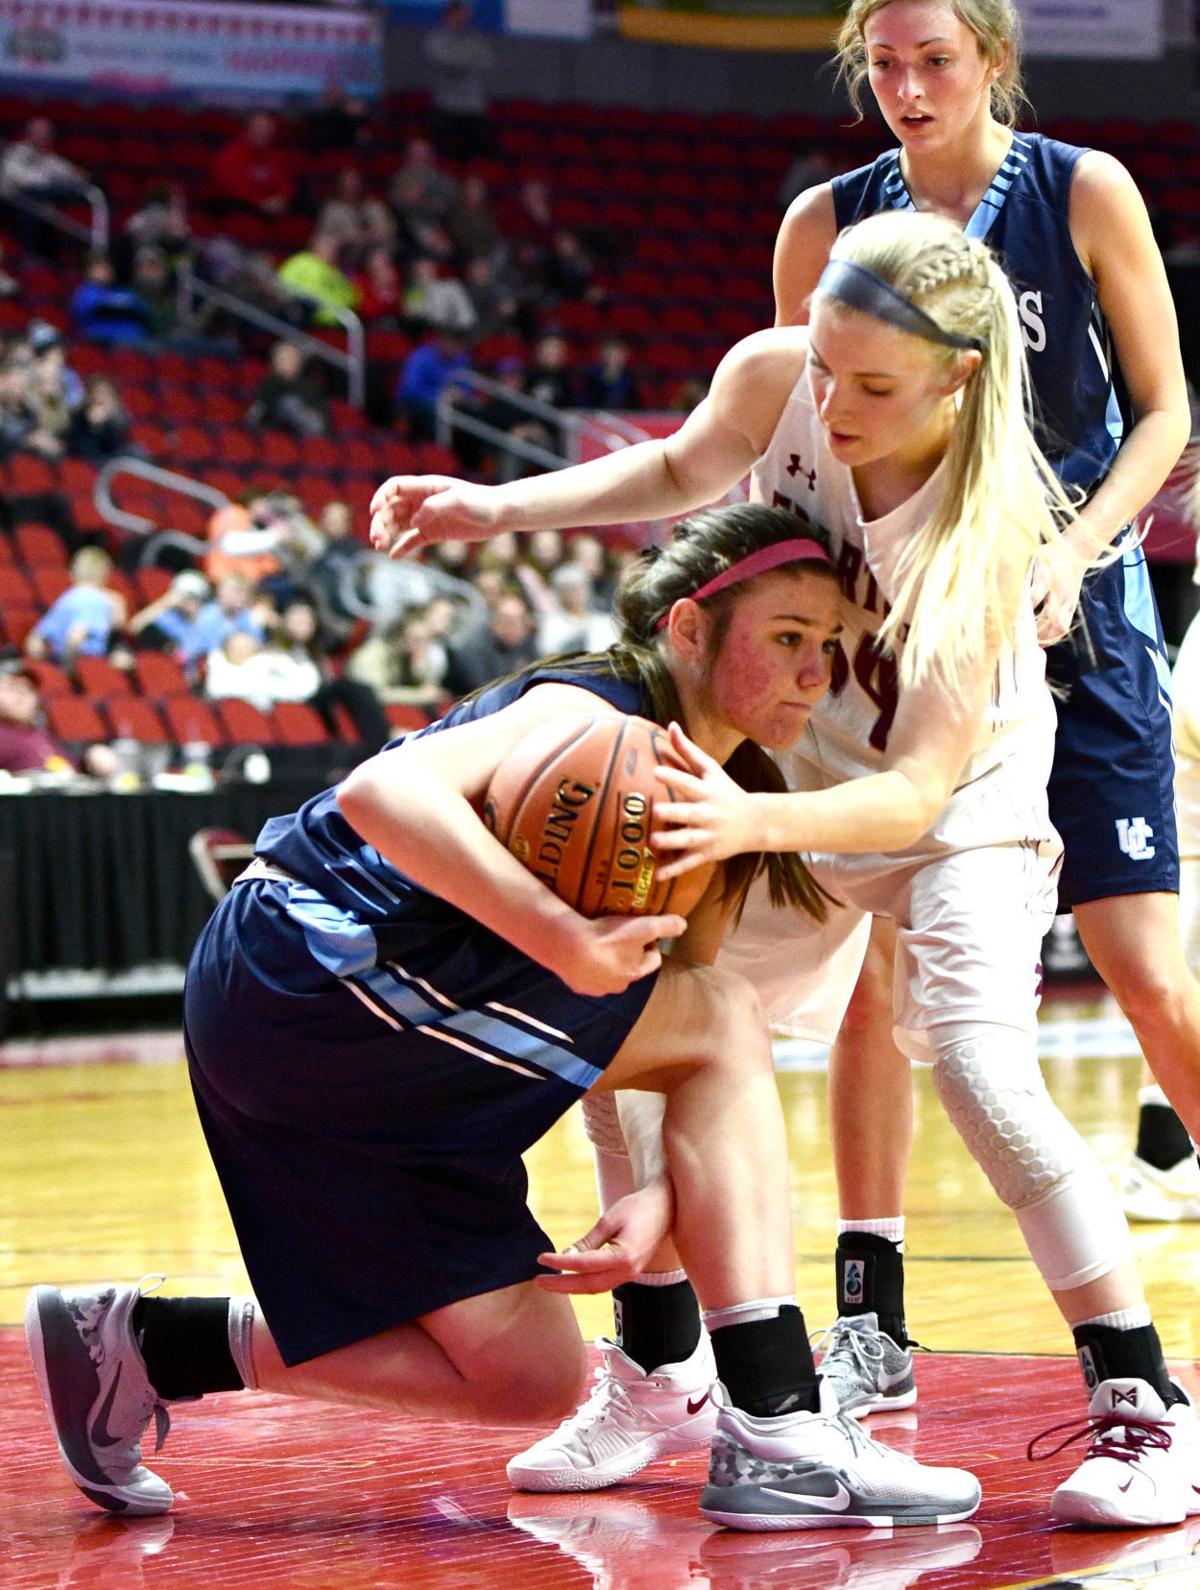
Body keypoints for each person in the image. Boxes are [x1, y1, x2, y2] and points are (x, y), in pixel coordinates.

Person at [371, 209, 1200, 1529]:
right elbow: (683, 463)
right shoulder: (779, 373)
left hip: (955, 802)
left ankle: (1143, 1399)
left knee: (984, 1068)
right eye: (824, 366)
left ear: (957, 377)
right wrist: (493, 507)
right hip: (799, 770)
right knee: (635, 1012)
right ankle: (657, 1363)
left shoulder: (983, 533)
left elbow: (920, 788)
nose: (831, 400)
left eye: (871, 385)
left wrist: (740, 828)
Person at [23, 500, 982, 1533]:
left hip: (339, 1011)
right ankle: (778, 1426)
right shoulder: (600, 713)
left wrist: (664, 1193)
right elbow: (384, 790)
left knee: (526, 1377)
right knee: (723, 1013)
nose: (816, 674)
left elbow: (684, 1047)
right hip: (317, 963)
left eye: (831, 647)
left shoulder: (726, 792)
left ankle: (135, 1344)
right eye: (789, 639)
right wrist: (555, 935)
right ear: (690, 631)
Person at [769, 0, 1199, 1391]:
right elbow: (806, 434)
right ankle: (870, 1319)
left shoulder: (1082, 188)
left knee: (1145, 966)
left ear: (994, 61)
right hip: (911, 628)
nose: (904, 85)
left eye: (933, 58)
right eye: (882, 62)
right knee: (874, 974)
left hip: (1077, 606)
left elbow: (1167, 412)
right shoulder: (825, 223)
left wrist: (1076, 548)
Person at [0, 660, 117, 778]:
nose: (22, 694)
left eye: (29, 688)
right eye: (12, 687)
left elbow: (68, 767)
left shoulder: (41, 734)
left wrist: (90, 760)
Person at [25, 546, 127, 666]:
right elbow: (75, 637)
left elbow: (34, 641)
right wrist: (67, 670)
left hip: (63, 659)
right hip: (86, 664)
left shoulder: (66, 598)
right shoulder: (101, 601)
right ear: (105, 573)